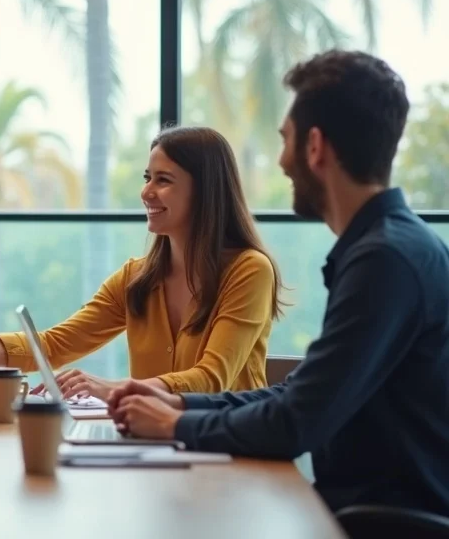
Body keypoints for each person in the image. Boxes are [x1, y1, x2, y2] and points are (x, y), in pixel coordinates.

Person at [109, 50, 449, 516]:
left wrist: (173, 427)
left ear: (315, 147)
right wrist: (182, 404)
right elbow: (299, 393)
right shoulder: (388, 248)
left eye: (285, 140)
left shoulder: (385, 260)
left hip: (380, 521)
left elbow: (296, 423)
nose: (282, 161)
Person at [0, 126, 284, 398]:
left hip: (232, 451)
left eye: (164, 180)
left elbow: (210, 382)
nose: (146, 192)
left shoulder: (249, 271)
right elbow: (50, 347)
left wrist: (110, 389)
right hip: (160, 444)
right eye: (147, 177)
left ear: (206, 190)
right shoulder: (138, 279)